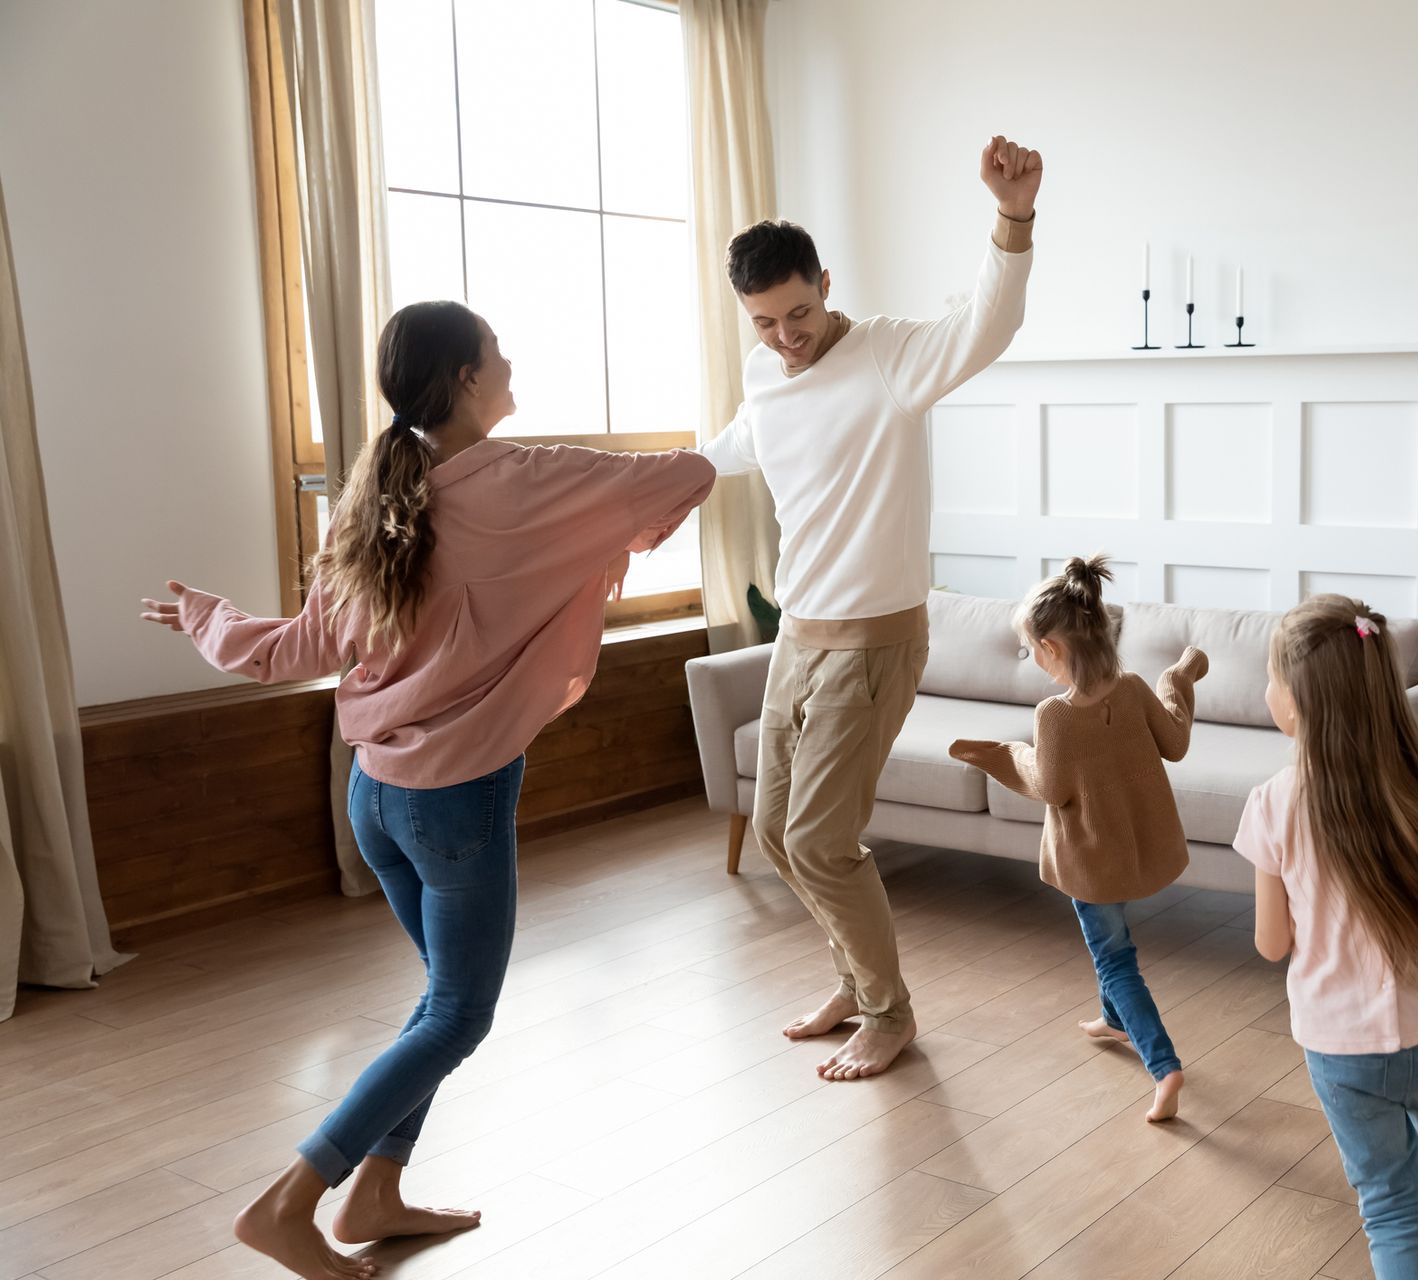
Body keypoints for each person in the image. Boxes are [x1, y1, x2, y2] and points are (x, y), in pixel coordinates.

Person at [139, 300, 714, 1280]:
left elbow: (294, 649)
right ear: (462, 378)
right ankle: (290, 1201)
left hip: (375, 798)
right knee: (459, 1012)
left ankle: (377, 1188)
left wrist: (208, 615)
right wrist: (598, 523)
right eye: (496, 349)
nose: (510, 357)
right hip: (457, 801)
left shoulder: (371, 497)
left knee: (437, 1000)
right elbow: (691, 472)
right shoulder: (529, 477)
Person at [700, 135, 1042, 1080]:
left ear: (824, 284)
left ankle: (889, 1013)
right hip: (798, 637)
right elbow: (741, 441)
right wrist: (650, 491)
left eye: (798, 313)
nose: (785, 338)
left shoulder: (891, 356)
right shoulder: (767, 370)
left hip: (877, 640)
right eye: (764, 323)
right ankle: (855, 982)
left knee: (818, 836)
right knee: (774, 830)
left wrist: (1012, 218)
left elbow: (988, 324)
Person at [1232, 593, 1418, 1280]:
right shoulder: (1417, 789)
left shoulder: (1274, 802)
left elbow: (1272, 944)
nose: (1267, 691)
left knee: (1389, 1203)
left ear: (1297, 701)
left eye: (1272, 679)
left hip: (1342, 1045)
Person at [948, 556, 1207, 1121]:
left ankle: (1164, 1067)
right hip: (1133, 845)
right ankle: (1114, 1021)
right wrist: (1177, 681)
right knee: (1109, 942)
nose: (1035, 661)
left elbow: (1051, 786)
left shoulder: (1054, 717)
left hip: (1090, 858)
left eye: (1032, 650)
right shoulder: (1136, 689)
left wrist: (1004, 754)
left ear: (1054, 648)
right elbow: (1176, 741)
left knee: (1114, 956)